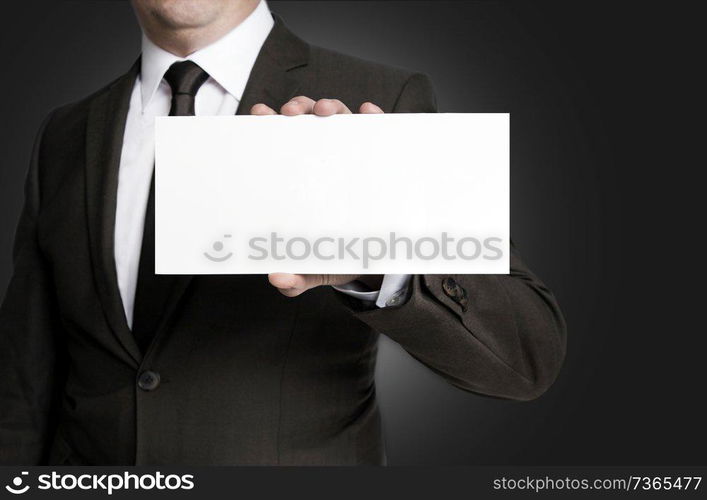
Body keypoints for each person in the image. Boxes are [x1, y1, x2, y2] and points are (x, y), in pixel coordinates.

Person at [0, 0, 566, 465]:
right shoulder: (65, 131)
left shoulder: (384, 98)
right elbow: (26, 377)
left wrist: (376, 259)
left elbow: (524, 356)